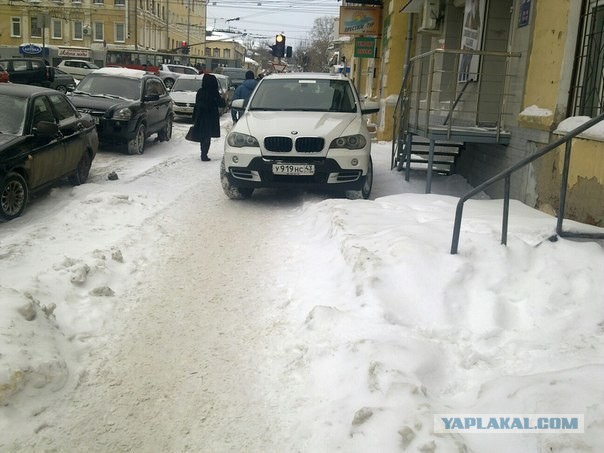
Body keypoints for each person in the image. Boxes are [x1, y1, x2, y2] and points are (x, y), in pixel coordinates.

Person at [192, 73, 223, 161]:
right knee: (207, 135)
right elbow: (221, 104)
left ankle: (203, 152)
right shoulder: (214, 92)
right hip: (211, 117)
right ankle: (204, 154)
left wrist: (194, 117)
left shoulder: (200, 91)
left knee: (203, 135)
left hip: (201, 116)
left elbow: (197, 104)